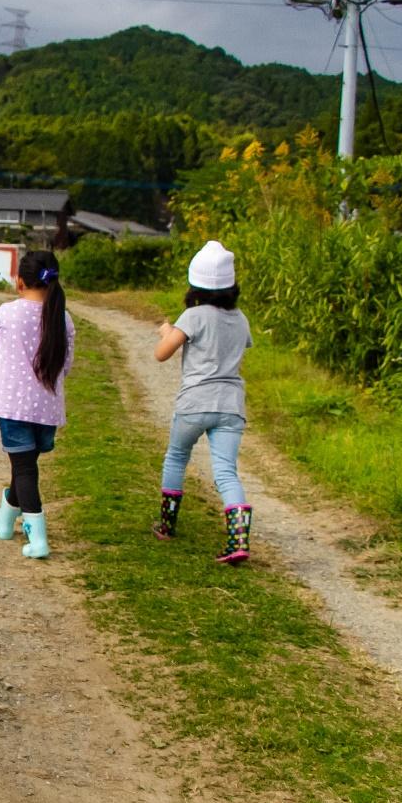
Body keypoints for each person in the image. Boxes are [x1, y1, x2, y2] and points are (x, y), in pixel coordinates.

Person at [151, 240, 253, 563]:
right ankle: (238, 540)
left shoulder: (193, 316)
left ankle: (167, 526)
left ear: (195, 284)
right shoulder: (241, 319)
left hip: (195, 403)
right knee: (225, 471)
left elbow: (162, 353)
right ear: (231, 287)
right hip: (231, 406)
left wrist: (168, 331)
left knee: (177, 457)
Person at [0, 250, 76, 559]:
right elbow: (66, 366)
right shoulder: (63, 318)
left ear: (19, 281)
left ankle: (38, 539)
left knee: (25, 469)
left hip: (13, 407)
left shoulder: (6, 313)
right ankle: (5, 522)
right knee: (26, 465)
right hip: (47, 410)